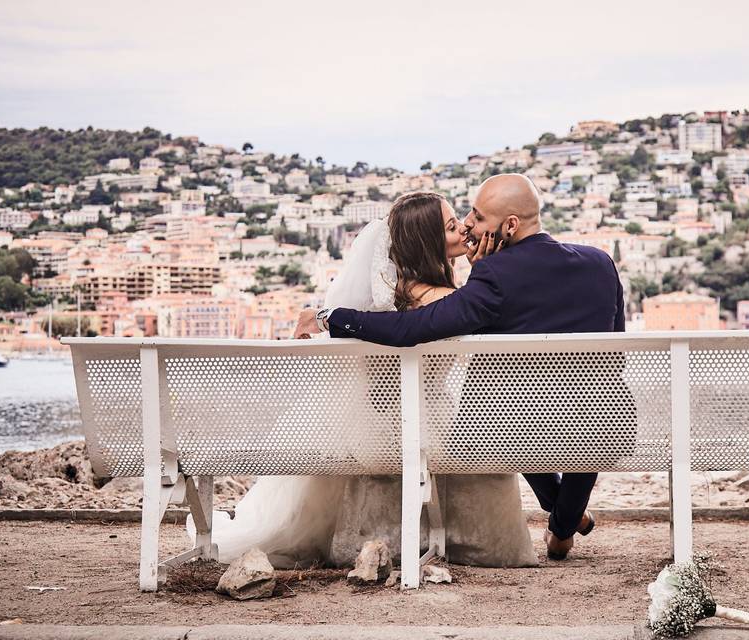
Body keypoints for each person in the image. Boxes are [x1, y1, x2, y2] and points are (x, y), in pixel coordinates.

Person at [190, 191, 536, 568]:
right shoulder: (446, 299)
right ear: (428, 242)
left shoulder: (395, 294)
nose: (465, 231)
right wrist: (482, 273)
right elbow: (457, 312)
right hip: (418, 426)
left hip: (379, 427)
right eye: (452, 227)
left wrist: (327, 316)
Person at [296, 173, 629, 560]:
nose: (469, 224)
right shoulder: (601, 263)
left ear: (509, 226)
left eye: (477, 216)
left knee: (497, 409)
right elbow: (614, 355)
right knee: (582, 414)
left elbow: (411, 329)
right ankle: (563, 526)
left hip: (519, 431)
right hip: (608, 423)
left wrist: (329, 317)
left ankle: (562, 523)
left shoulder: (494, 277)